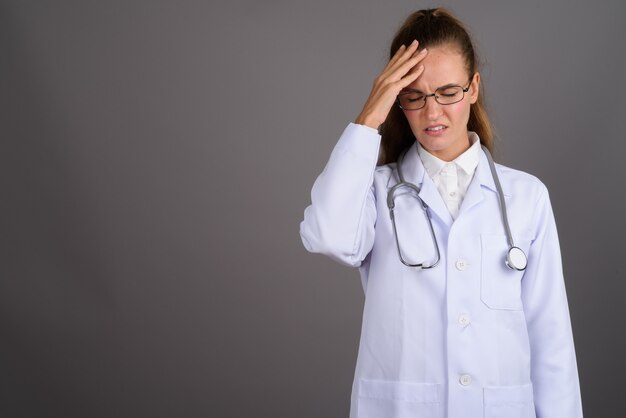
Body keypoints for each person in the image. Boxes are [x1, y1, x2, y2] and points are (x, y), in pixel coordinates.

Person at [299, 7, 583, 418]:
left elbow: (551, 340)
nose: (433, 113)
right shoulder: (376, 191)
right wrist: (368, 117)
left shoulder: (526, 197)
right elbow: (326, 235)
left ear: (473, 88)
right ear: (397, 99)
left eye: (448, 92)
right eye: (414, 96)